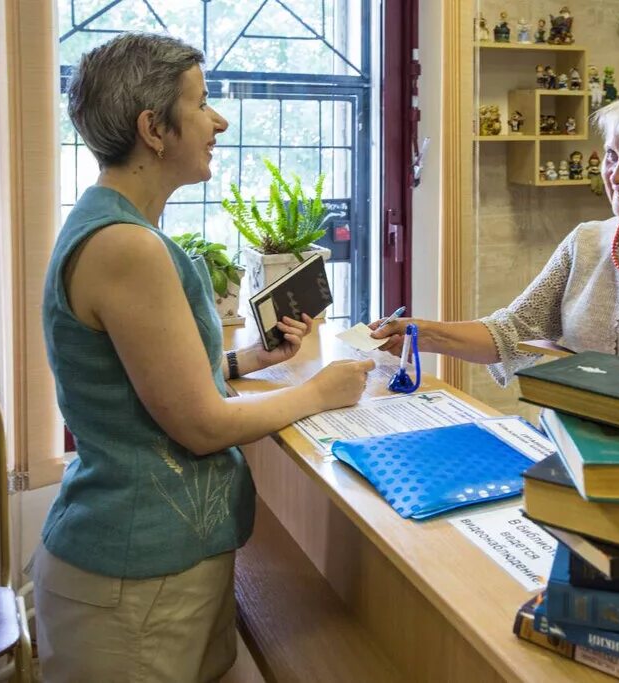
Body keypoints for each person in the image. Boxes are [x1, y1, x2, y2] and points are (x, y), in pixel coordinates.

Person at [32, 32, 373, 682]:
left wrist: (249, 360)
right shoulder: (128, 248)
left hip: (155, 572)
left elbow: (153, 389)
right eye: (202, 102)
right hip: (134, 584)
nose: (219, 121)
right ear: (153, 128)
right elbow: (199, 424)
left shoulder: (113, 229)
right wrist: (319, 392)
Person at [371, 89, 619, 385]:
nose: (616, 175)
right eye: (611, 155)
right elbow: (511, 332)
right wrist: (419, 333)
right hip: (568, 447)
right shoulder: (585, 242)